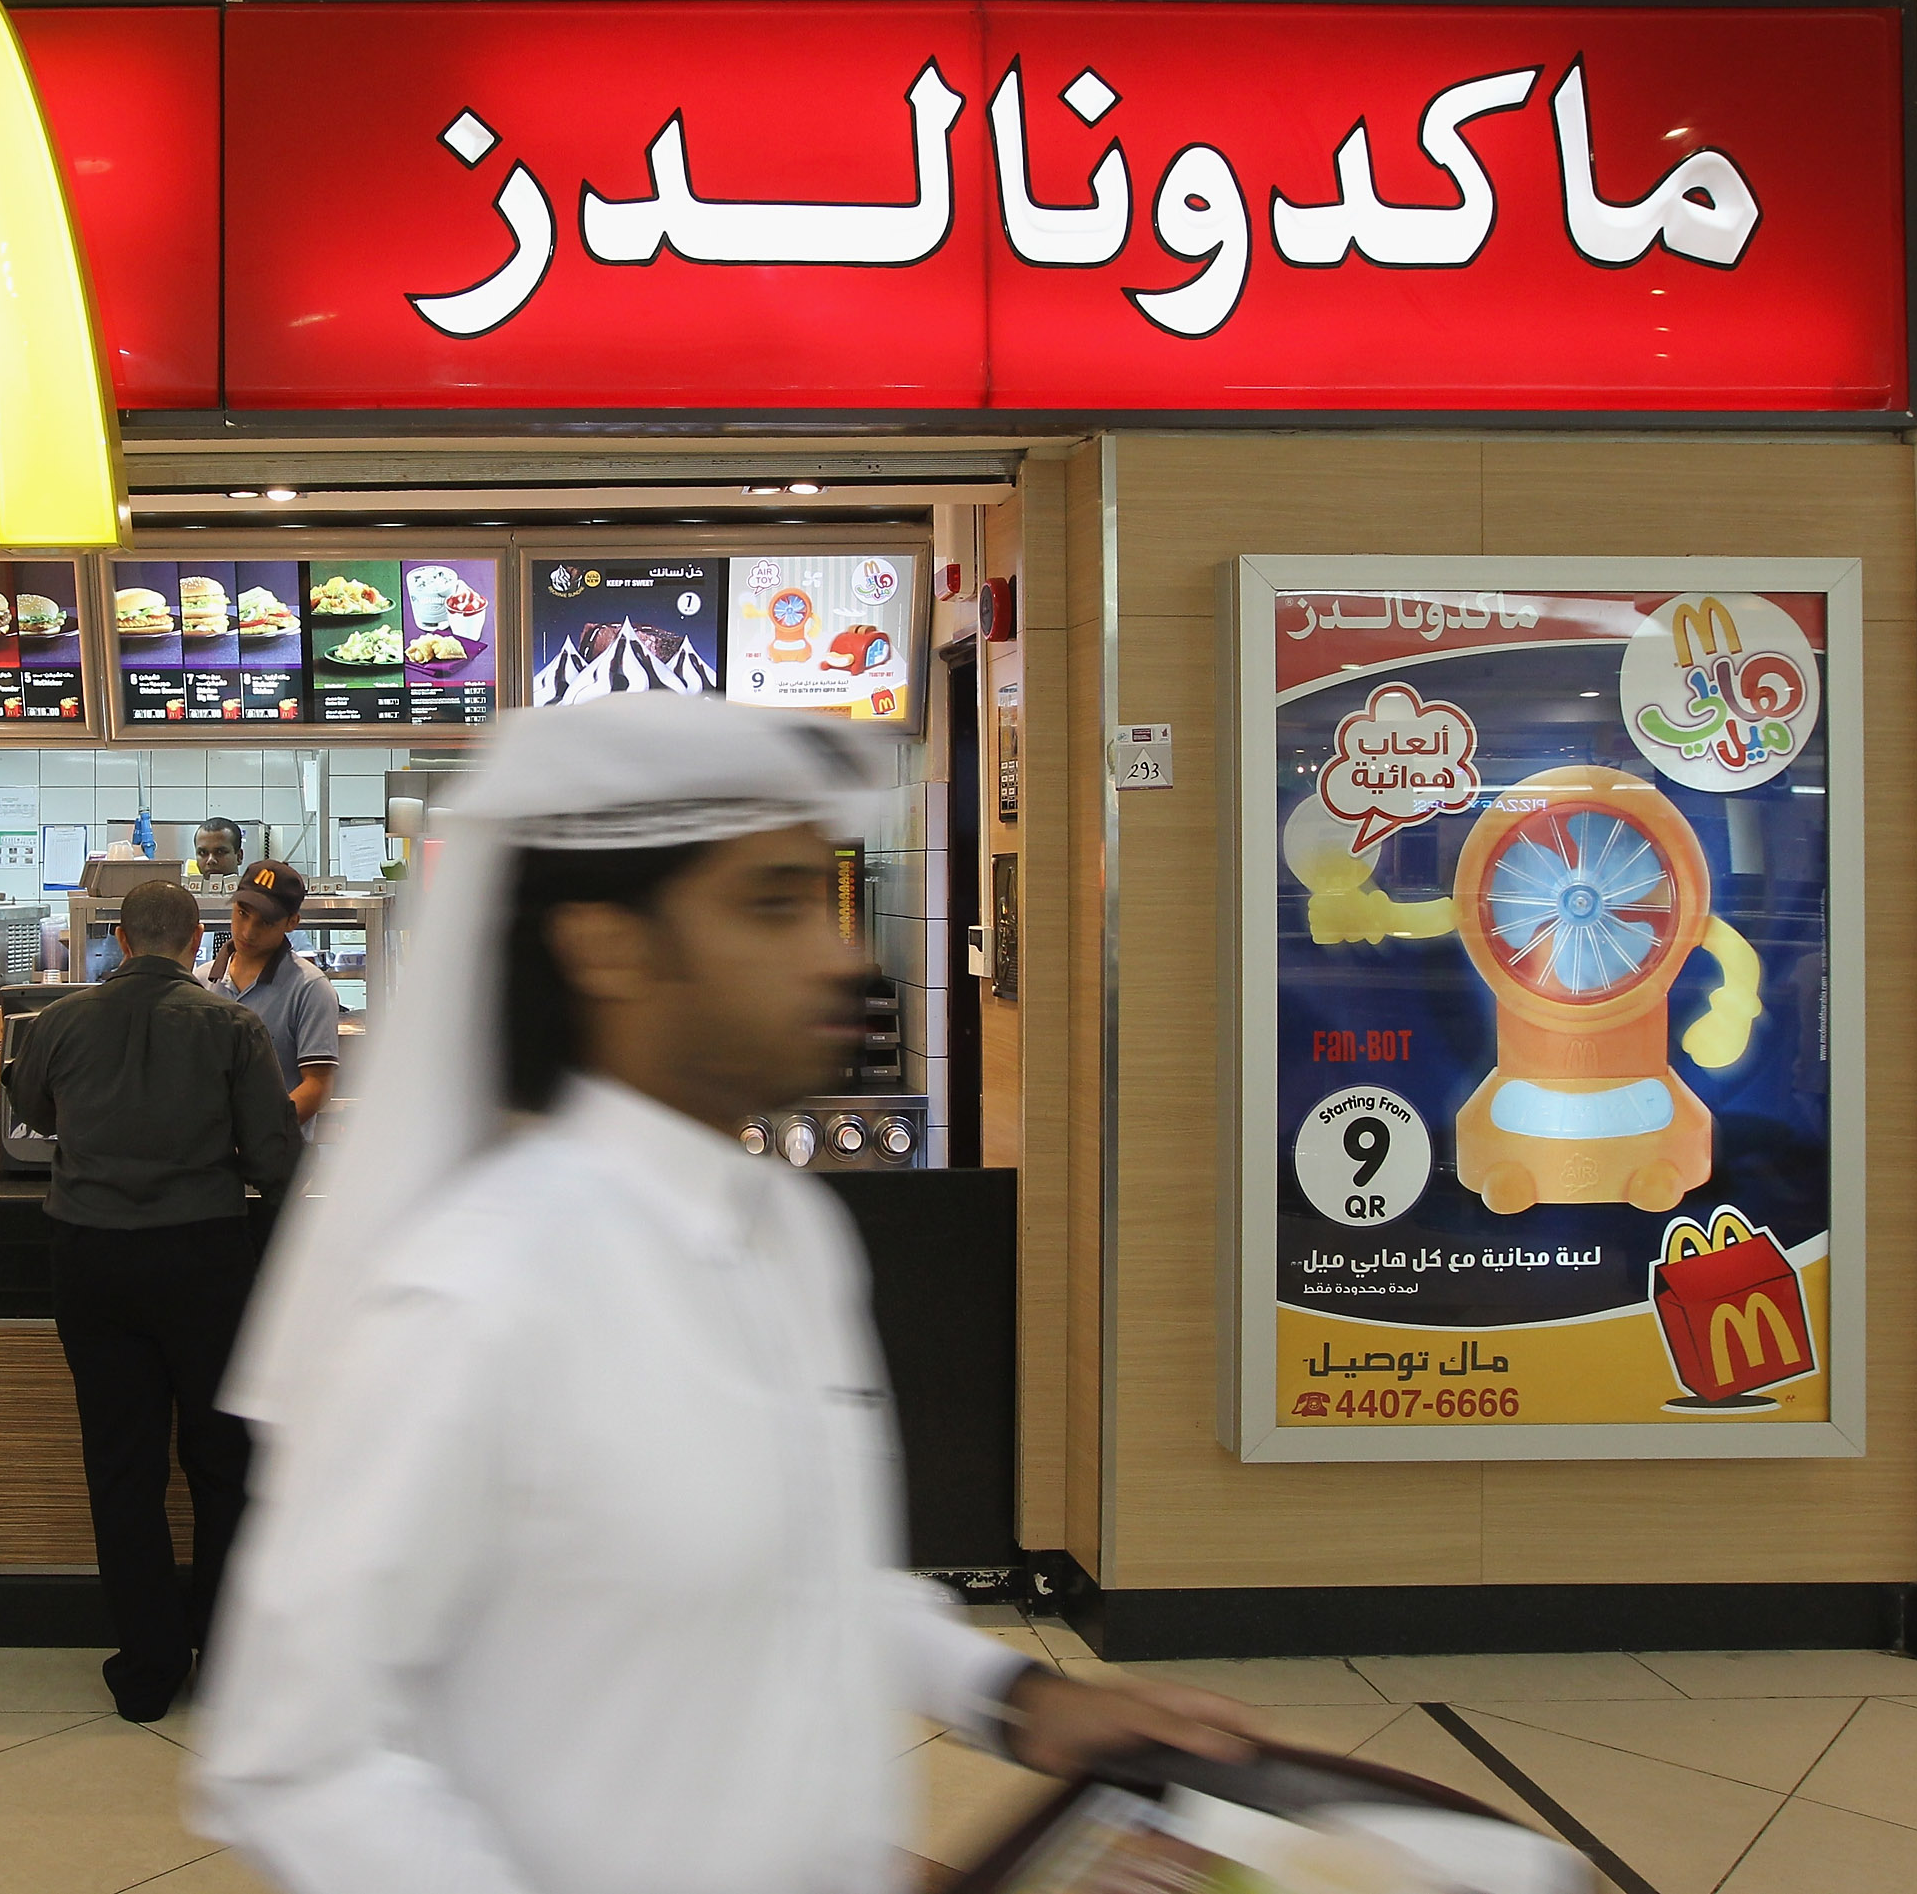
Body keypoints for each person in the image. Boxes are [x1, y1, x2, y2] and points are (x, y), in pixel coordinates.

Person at [196, 695, 1254, 1894]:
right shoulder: (475, 1292)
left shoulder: (791, 1233)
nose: (841, 954)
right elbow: (298, 1757)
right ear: (609, 946)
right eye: (772, 904)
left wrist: (1019, 1696)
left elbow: (802, 1571)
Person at [4, 877, 302, 1720]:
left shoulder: (60, 1020)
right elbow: (274, 1156)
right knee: (221, 1463)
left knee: (122, 1466)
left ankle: (147, 1668)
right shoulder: (232, 1026)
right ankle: (226, 1662)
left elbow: (33, 1110)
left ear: (122, 942)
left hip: (92, 1257)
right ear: (197, 940)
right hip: (204, 1257)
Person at [208, 859, 341, 1130]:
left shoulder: (309, 988)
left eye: (265, 922)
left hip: (275, 1150)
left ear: (292, 922)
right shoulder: (202, 981)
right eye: (242, 913)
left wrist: (257, 1137)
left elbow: (318, 1085)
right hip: (208, 1151)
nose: (248, 932)